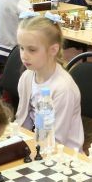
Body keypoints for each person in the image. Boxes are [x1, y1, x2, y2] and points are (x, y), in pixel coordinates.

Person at [14, 15, 83, 150]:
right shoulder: (27, 77)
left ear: (53, 50)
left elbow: (56, 139)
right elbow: (22, 122)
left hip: (63, 154)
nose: (24, 56)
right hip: (37, 145)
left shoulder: (63, 89)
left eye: (32, 50)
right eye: (21, 48)